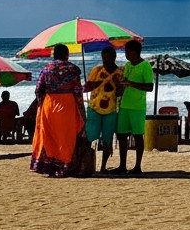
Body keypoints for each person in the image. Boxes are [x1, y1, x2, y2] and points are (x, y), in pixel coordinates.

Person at [30, 44, 85, 177]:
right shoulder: (73, 70)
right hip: (67, 105)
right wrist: (82, 111)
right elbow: (77, 91)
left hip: (49, 105)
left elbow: (38, 90)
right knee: (66, 137)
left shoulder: (46, 70)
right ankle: (65, 167)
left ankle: (50, 167)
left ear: (54, 55)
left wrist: (41, 105)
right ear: (67, 55)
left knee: (50, 137)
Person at [115, 39, 154, 175]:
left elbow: (150, 87)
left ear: (135, 52)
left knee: (137, 135)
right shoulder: (127, 65)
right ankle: (122, 165)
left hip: (137, 106)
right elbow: (124, 84)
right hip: (124, 105)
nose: (126, 55)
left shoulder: (145, 66)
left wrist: (131, 83)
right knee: (121, 135)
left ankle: (138, 165)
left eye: (128, 52)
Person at [84, 45, 123, 172]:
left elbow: (120, 93)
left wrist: (118, 86)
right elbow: (88, 87)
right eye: (103, 58)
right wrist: (89, 85)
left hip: (111, 110)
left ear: (114, 57)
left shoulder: (120, 73)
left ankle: (103, 167)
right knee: (89, 136)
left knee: (107, 139)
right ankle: (87, 164)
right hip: (94, 108)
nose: (105, 60)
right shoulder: (96, 70)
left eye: (108, 58)